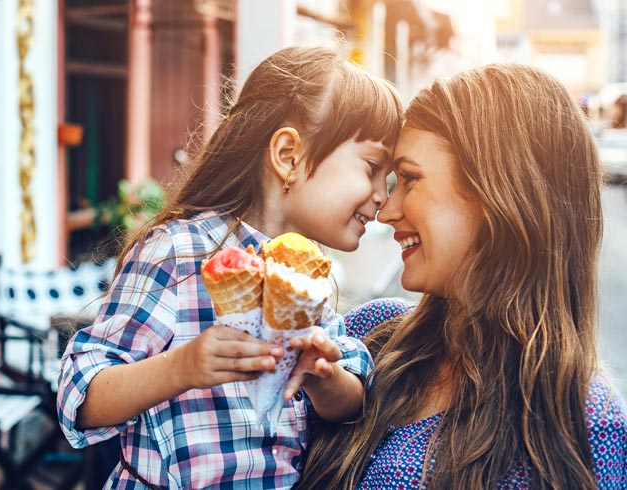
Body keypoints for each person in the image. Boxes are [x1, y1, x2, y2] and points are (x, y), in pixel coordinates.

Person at [56, 45, 403, 488]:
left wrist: (323, 375)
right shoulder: (179, 253)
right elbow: (77, 396)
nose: (383, 196)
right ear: (287, 155)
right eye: (373, 168)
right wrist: (180, 368)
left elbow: (354, 398)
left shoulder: (307, 273)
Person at [298, 64, 627, 489]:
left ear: (498, 191)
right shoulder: (366, 336)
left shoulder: (586, 423)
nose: (386, 210)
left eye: (410, 178)